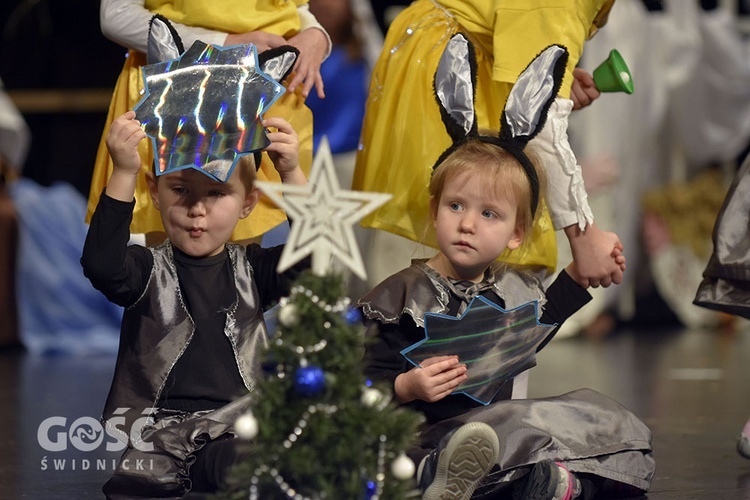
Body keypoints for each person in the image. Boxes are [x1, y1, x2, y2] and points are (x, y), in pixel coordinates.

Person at [357, 37, 654, 500]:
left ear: (516, 233)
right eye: (455, 206)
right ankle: (497, 481)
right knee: (450, 451)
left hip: (494, 432)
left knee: (599, 424)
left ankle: (548, 483)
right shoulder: (403, 294)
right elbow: (362, 378)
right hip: (420, 439)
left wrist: (578, 277)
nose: (468, 224)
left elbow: (533, 326)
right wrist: (405, 384)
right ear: (435, 209)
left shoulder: (510, 287)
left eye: (488, 214)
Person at [81, 111, 307, 498]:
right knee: (238, 462)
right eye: (181, 190)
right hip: (166, 433)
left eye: (217, 193)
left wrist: (292, 175)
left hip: (244, 423)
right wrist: (123, 172)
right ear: (154, 191)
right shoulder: (147, 269)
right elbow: (101, 266)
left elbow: (313, 262)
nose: (197, 209)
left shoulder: (252, 270)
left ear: (248, 202)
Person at [352, 0, 623, 290]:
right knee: (451, 238)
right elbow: (544, 132)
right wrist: (585, 237)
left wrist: (551, 90)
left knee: (488, 229)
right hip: (450, 69)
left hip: (468, 59)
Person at [87, 0, 331, 245]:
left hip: (258, 91)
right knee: (169, 255)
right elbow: (116, 14)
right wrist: (219, 43)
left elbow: (291, 8)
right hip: (179, 93)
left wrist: (315, 33)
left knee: (244, 257)